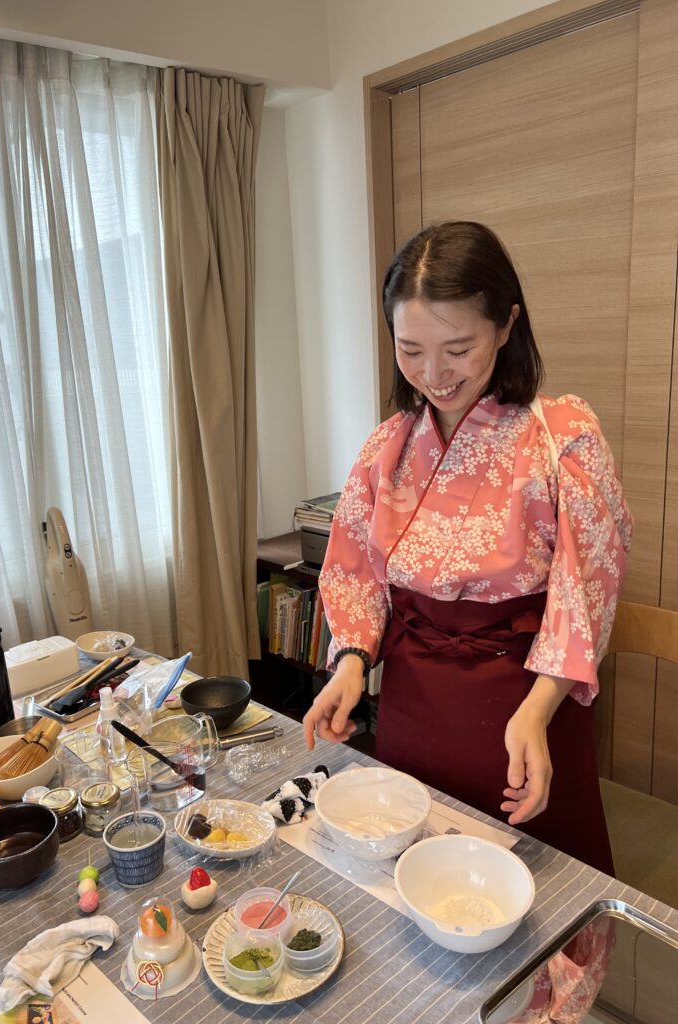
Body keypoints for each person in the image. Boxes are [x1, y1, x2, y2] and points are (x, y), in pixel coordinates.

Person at [302, 221, 632, 874]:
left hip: (526, 709)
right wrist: (350, 665)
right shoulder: (387, 447)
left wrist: (537, 711)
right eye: (410, 350)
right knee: (411, 870)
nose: (434, 375)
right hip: (414, 705)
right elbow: (355, 572)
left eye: (458, 348)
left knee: (525, 888)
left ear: (507, 324)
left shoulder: (563, 438)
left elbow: (585, 593)